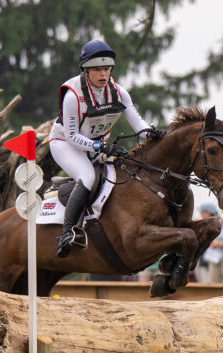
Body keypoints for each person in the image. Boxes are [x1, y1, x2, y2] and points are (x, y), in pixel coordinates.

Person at [48, 39, 166, 257]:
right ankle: (67, 233)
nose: (103, 75)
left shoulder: (119, 92)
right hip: (65, 144)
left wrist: (154, 133)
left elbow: (138, 125)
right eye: (97, 70)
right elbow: (73, 137)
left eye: (107, 69)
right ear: (86, 70)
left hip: (95, 146)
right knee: (87, 176)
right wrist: (100, 147)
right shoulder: (73, 95)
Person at [194, 203, 220, 283]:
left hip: (212, 261)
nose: (201, 214)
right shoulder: (204, 223)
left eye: (202, 212)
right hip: (202, 259)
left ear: (207, 212)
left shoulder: (216, 224)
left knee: (208, 283)